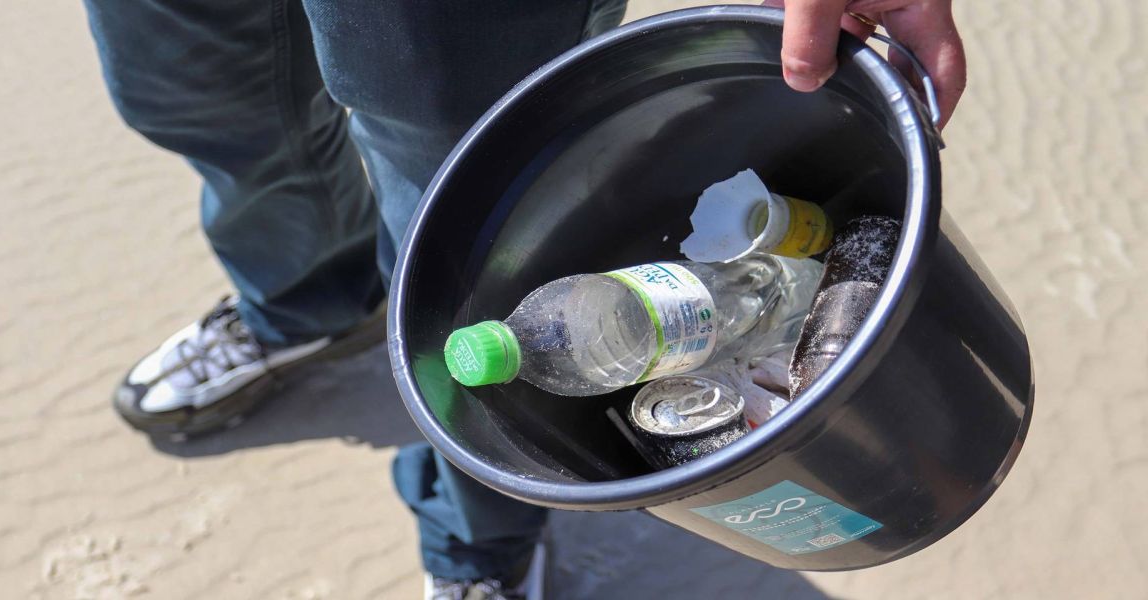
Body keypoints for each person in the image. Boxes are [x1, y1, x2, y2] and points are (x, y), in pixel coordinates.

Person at [82, 1, 965, 598]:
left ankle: (479, 546)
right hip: (716, 308)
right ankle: (305, 307)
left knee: (463, 221)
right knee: (199, 98)